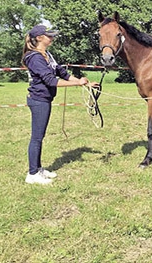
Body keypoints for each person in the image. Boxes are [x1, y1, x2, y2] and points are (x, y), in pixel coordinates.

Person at [22, 24, 98, 185]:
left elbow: (61, 73)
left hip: (45, 100)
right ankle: (32, 173)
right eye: (49, 35)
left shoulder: (47, 54)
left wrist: (83, 82)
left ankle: (38, 168)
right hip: (38, 100)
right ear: (39, 38)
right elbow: (50, 80)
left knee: (39, 137)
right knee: (37, 137)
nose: (52, 37)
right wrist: (76, 85)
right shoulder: (34, 58)